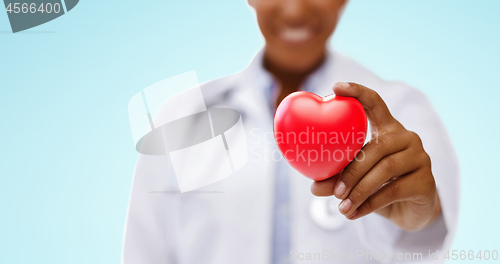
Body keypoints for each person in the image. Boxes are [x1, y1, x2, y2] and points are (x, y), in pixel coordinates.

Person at [122, 0, 460, 263]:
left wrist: (422, 216)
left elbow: (426, 246)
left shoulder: (403, 110)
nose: (296, 10)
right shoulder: (181, 117)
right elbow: (145, 252)